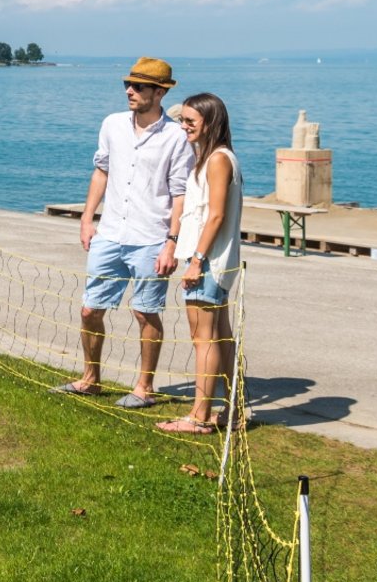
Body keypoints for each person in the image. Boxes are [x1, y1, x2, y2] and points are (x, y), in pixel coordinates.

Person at [55, 56, 193, 407]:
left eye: (139, 86)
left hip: (151, 238)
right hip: (110, 232)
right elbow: (101, 172)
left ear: (160, 92)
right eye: (127, 85)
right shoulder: (112, 125)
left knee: (145, 312)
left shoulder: (177, 138)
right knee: (90, 309)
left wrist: (171, 244)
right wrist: (88, 219)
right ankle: (91, 379)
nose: (130, 91)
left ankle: (143, 388)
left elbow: (180, 194)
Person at [158, 93, 242, 435]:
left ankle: (199, 415)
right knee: (220, 336)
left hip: (209, 263)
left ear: (211, 122)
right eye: (183, 120)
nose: (184, 126)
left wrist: (196, 261)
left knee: (203, 338)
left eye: (191, 121)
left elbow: (217, 214)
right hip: (213, 262)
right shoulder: (210, 158)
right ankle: (232, 409)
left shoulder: (219, 160)